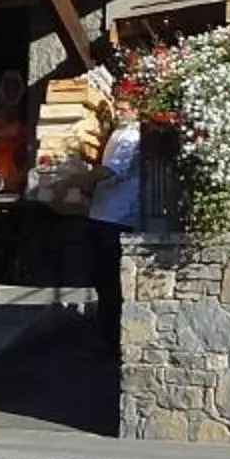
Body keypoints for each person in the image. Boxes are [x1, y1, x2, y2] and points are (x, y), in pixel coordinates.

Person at [85, 74, 144, 351]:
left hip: (116, 218)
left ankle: (110, 342)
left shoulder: (133, 136)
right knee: (100, 279)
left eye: (124, 107)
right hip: (101, 214)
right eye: (117, 106)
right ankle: (105, 337)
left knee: (110, 283)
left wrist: (73, 180)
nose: (119, 111)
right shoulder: (118, 132)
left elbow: (111, 171)